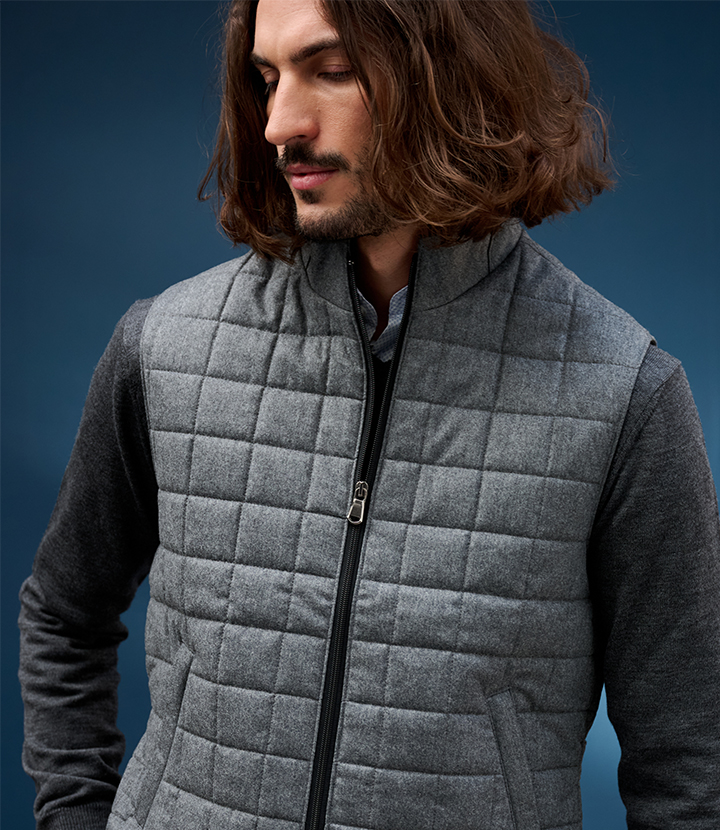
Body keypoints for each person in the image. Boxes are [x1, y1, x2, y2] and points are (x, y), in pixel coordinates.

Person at [19, 0, 720, 828]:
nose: (279, 123)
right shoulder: (163, 346)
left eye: (332, 70)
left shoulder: (623, 393)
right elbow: (63, 614)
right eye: (267, 78)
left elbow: (688, 767)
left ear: (451, 74)